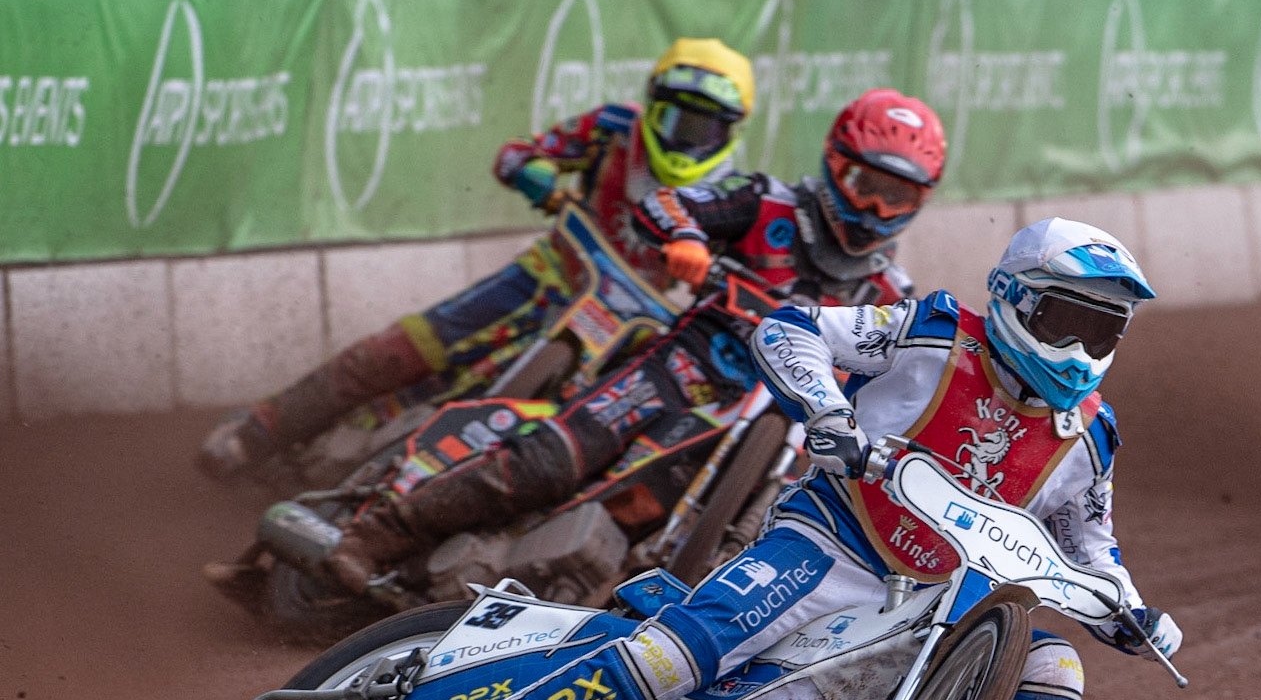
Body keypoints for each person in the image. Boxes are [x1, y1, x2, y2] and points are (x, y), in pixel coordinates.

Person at [365, 216, 1184, 700]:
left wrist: (1131, 610)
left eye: (1102, 331)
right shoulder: (931, 331)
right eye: (1067, 321)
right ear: (1013, 299)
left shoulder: (1091, 432)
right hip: (831, 539)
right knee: (680, 657)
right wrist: (829, 413)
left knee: (1050, 668)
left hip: (939, 599)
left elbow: (1090, 542)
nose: (1081, 350)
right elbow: (794, 328)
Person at [320, 88, 947, 592]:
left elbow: (909, 378)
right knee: (549, 462)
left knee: (683, 511)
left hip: (768, 418)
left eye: (898, 196)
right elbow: (669, 204)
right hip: (682, 366)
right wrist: (689, 242)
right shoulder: (766, 203)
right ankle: (375, 535)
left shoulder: (891, 292)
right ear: (835, 164)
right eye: (867, 186)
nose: (876, 208)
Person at [197, 37, 755, 479]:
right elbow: (517, 154)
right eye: (677, 118)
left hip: (623, 325)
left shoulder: (733, 194)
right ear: (653, 105)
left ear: (729, 130)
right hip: (547, 273)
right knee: (399, 351)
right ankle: (258, 431)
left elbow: (745, 272)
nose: (687, 137)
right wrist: (539, 181)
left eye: (705, 125)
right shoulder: (614, 126)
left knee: (561, 435)